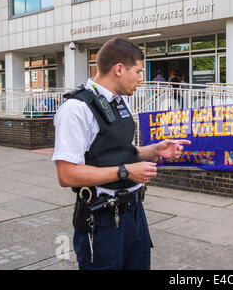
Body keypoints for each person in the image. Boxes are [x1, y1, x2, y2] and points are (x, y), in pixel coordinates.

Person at [52, 38, 190, 270]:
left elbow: (119, 153)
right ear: (118, 69)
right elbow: (67, 175)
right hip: (102, 217)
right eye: (137, 71)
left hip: (134, 213)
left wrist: (155, 150)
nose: (141, 78)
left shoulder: (118, 102)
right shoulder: (76, 109)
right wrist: (126, 171)